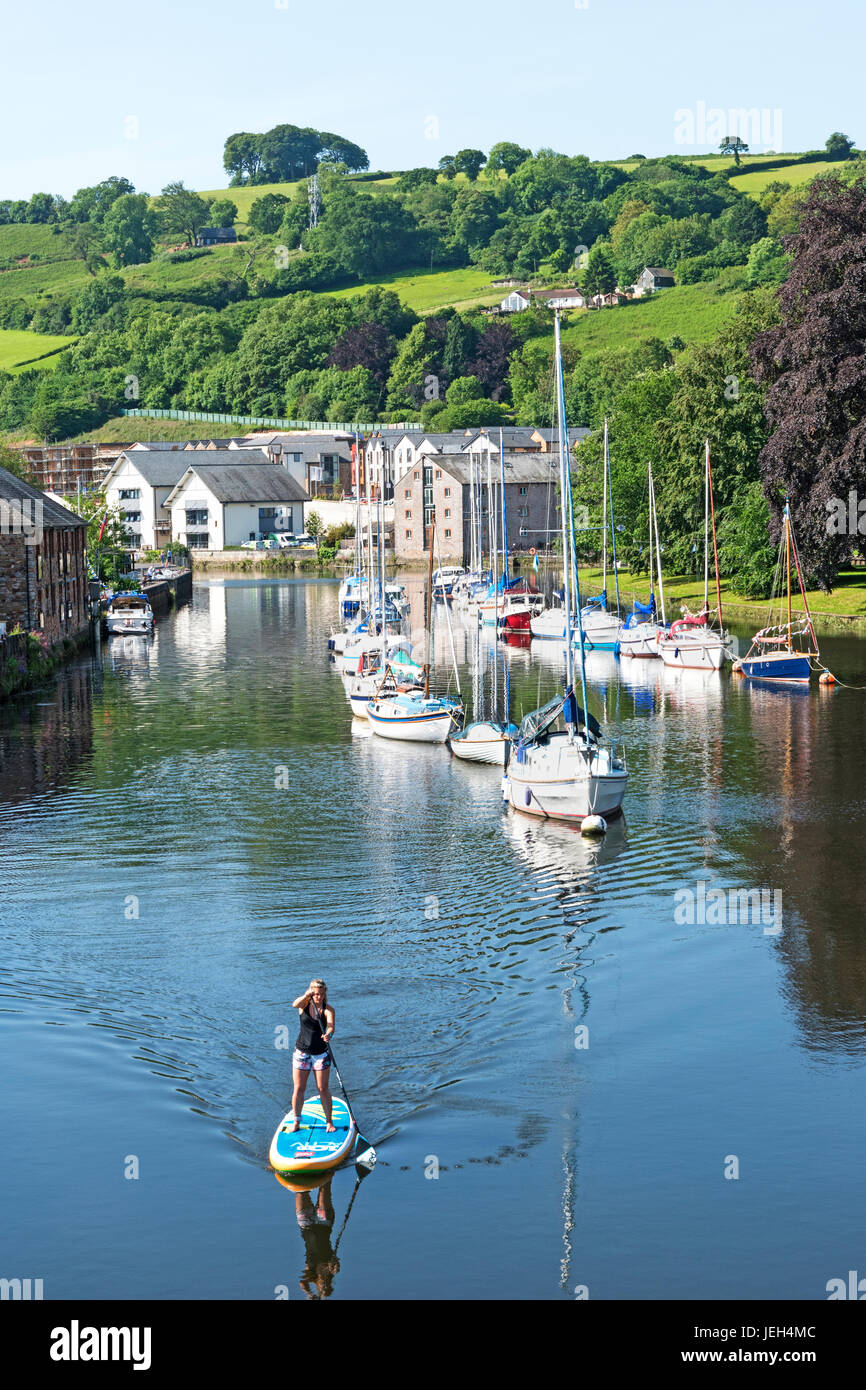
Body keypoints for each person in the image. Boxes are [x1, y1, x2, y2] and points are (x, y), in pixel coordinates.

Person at [290, 980, 336, 1132]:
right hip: (302, 1052)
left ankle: (329, 1122)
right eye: (316, 994)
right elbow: (294, 1004)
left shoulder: (328, 1010)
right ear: (311, 993)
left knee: (322, 1088)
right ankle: (296, 1121)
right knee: (299, 1088)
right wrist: (306, 995)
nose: (319, 997)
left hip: (320, 1054)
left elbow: (330, 1026)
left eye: (322, 994)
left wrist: (328, 1034)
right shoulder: (303, 1005)